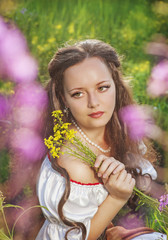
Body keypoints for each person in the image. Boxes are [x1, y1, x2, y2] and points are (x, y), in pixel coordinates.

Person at [35, 39, 167, 240]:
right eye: (78, 94)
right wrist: (117, 197)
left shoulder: (121, 129)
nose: (94, 103)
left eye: (102, 88)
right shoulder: (71, 161)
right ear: (63, 99)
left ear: (116, 85)